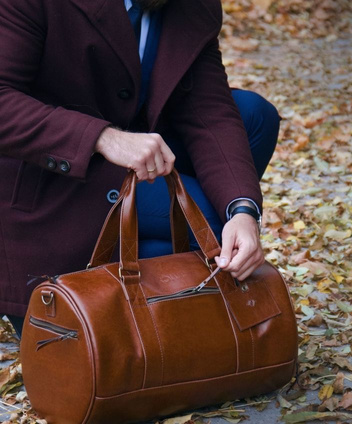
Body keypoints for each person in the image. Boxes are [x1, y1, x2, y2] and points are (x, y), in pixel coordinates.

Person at [0, 0, 280, 337]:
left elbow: (210, 110)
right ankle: (68, 288)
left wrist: (243, 210)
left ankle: (142, 267)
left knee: (253, 116)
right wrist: (102, 138)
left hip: (137, 159)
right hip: (50, 179)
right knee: (211, 231)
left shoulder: (193, 6)